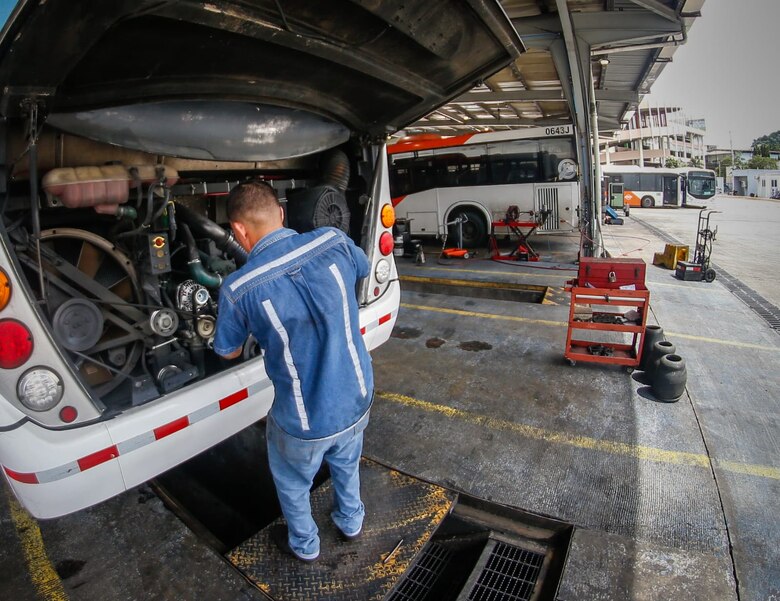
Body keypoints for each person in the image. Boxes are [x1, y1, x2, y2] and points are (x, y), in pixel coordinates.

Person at [214, 181, 373, 563]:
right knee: (347, 460)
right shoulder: (333, 240)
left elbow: (228, 351)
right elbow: (363, 268)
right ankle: (351, 522)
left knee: (292, 481)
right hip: (357, 395)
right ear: (281, 213)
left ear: (238, 230)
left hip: (304, 421)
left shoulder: (238, 288)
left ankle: (306, 545)